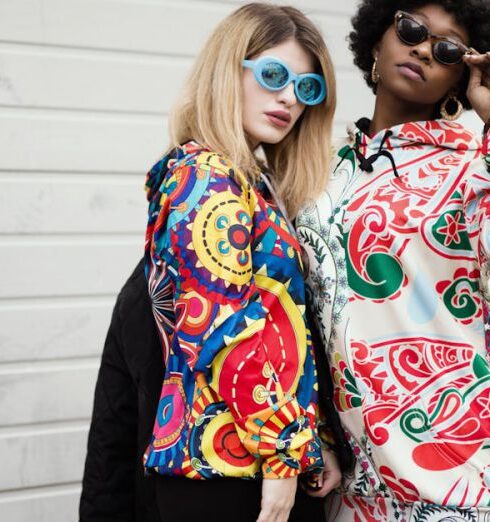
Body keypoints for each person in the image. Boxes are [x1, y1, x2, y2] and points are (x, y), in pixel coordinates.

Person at [141, 3, 341, 522]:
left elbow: (285, 327)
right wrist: (283, 458)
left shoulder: (251, 179)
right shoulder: (205, 174)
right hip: (225, 470)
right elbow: (223, 329)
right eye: (274, 75)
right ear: (228, 69)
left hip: (260, 458)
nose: (289, 99)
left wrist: (313, 444)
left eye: (307, 88)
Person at [296, 0, 490, 520]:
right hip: (353, 488)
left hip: (458, 481)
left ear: (460, 77)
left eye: (448, 49)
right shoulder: (322, 171)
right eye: (411, 29)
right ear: (377, 41)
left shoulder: (475, 167)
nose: (425, 48)